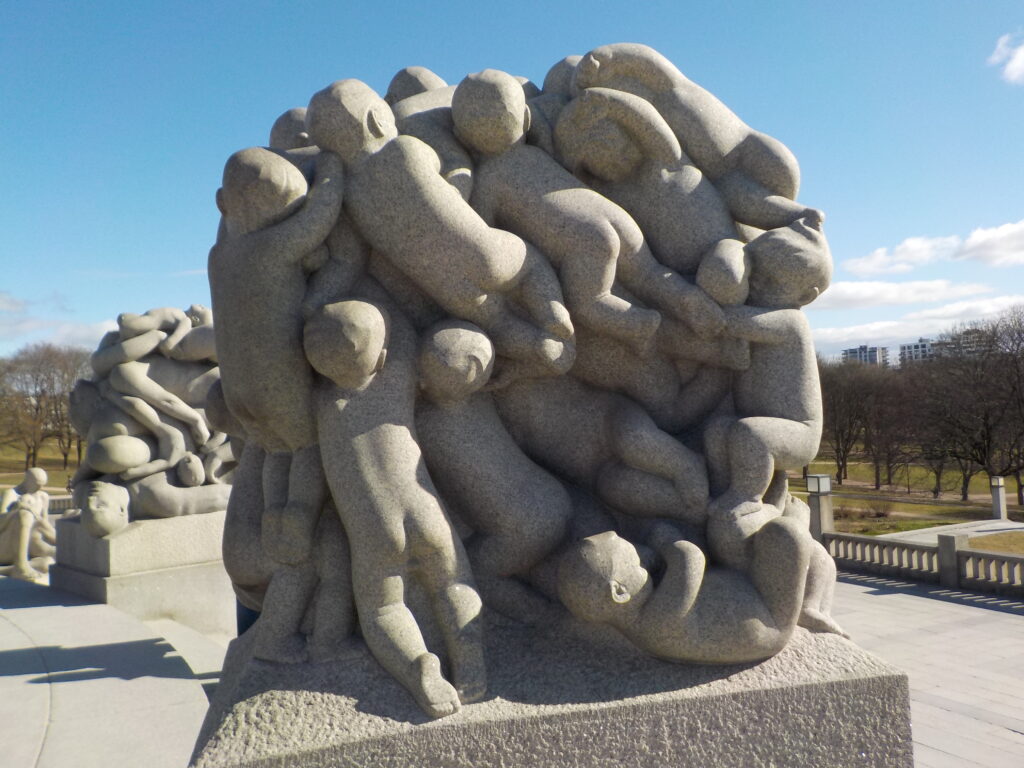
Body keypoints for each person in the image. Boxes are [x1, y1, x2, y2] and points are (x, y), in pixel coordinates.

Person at [304, 77, 574, 376]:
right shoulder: (404, 148)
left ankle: (540, 347)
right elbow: (455, 169)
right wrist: (457, 193)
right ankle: (553, 316)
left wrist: (312, 303)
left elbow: (347, 261)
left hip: (446, 288)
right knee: (531, 265)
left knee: (497, 322)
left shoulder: (350, 201)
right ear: (376, 120)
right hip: (482, 251)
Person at [451, 69, 723, 355]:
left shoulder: (489, 179)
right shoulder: (538, 153)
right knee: (649, 275)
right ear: (526, 120)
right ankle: (688, 299)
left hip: (586, 239)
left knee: (590, 304)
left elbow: (481, 234)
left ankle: (643, 325)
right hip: (617, 218)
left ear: (462, 137)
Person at [305, 288, 485, 719]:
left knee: (383, 608)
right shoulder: (397, 377)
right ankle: (470, 656)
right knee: (454, 583)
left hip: (373, 528)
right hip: (424, 512)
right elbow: (400, 330)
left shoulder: (320, 402)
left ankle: (418, 665)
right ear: (382, 357)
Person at [209, 147, 344, 567]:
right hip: (279, 383)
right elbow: (321, 214)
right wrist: (331, 167)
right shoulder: (275, 247)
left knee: (274, 449)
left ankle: (274, 513)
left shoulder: (218, 257)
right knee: (305, 446)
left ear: (222, 203)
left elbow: (228, 224)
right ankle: (298, 514)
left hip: (238, 391)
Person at [556, 517, 814, 663]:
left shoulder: (640, 623)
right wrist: (664, 541)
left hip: (743, 592)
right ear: (620, 592)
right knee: (785, 533)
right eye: (637, 558)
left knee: (732, 532)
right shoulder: (658, 623)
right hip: (769, 617)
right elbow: (690, 558)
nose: (646, 554)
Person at [0, 468, 55, 581]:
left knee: (51, 560)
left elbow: (43, 524)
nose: (39, 488)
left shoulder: (42, 496)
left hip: (32, 541)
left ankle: (9, 569)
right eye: (37, 485)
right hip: (9, 543)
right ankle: (20, 566)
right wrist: (17, 509)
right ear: (27, 480)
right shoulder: (12, 494)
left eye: (42, 485)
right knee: (25, 514)